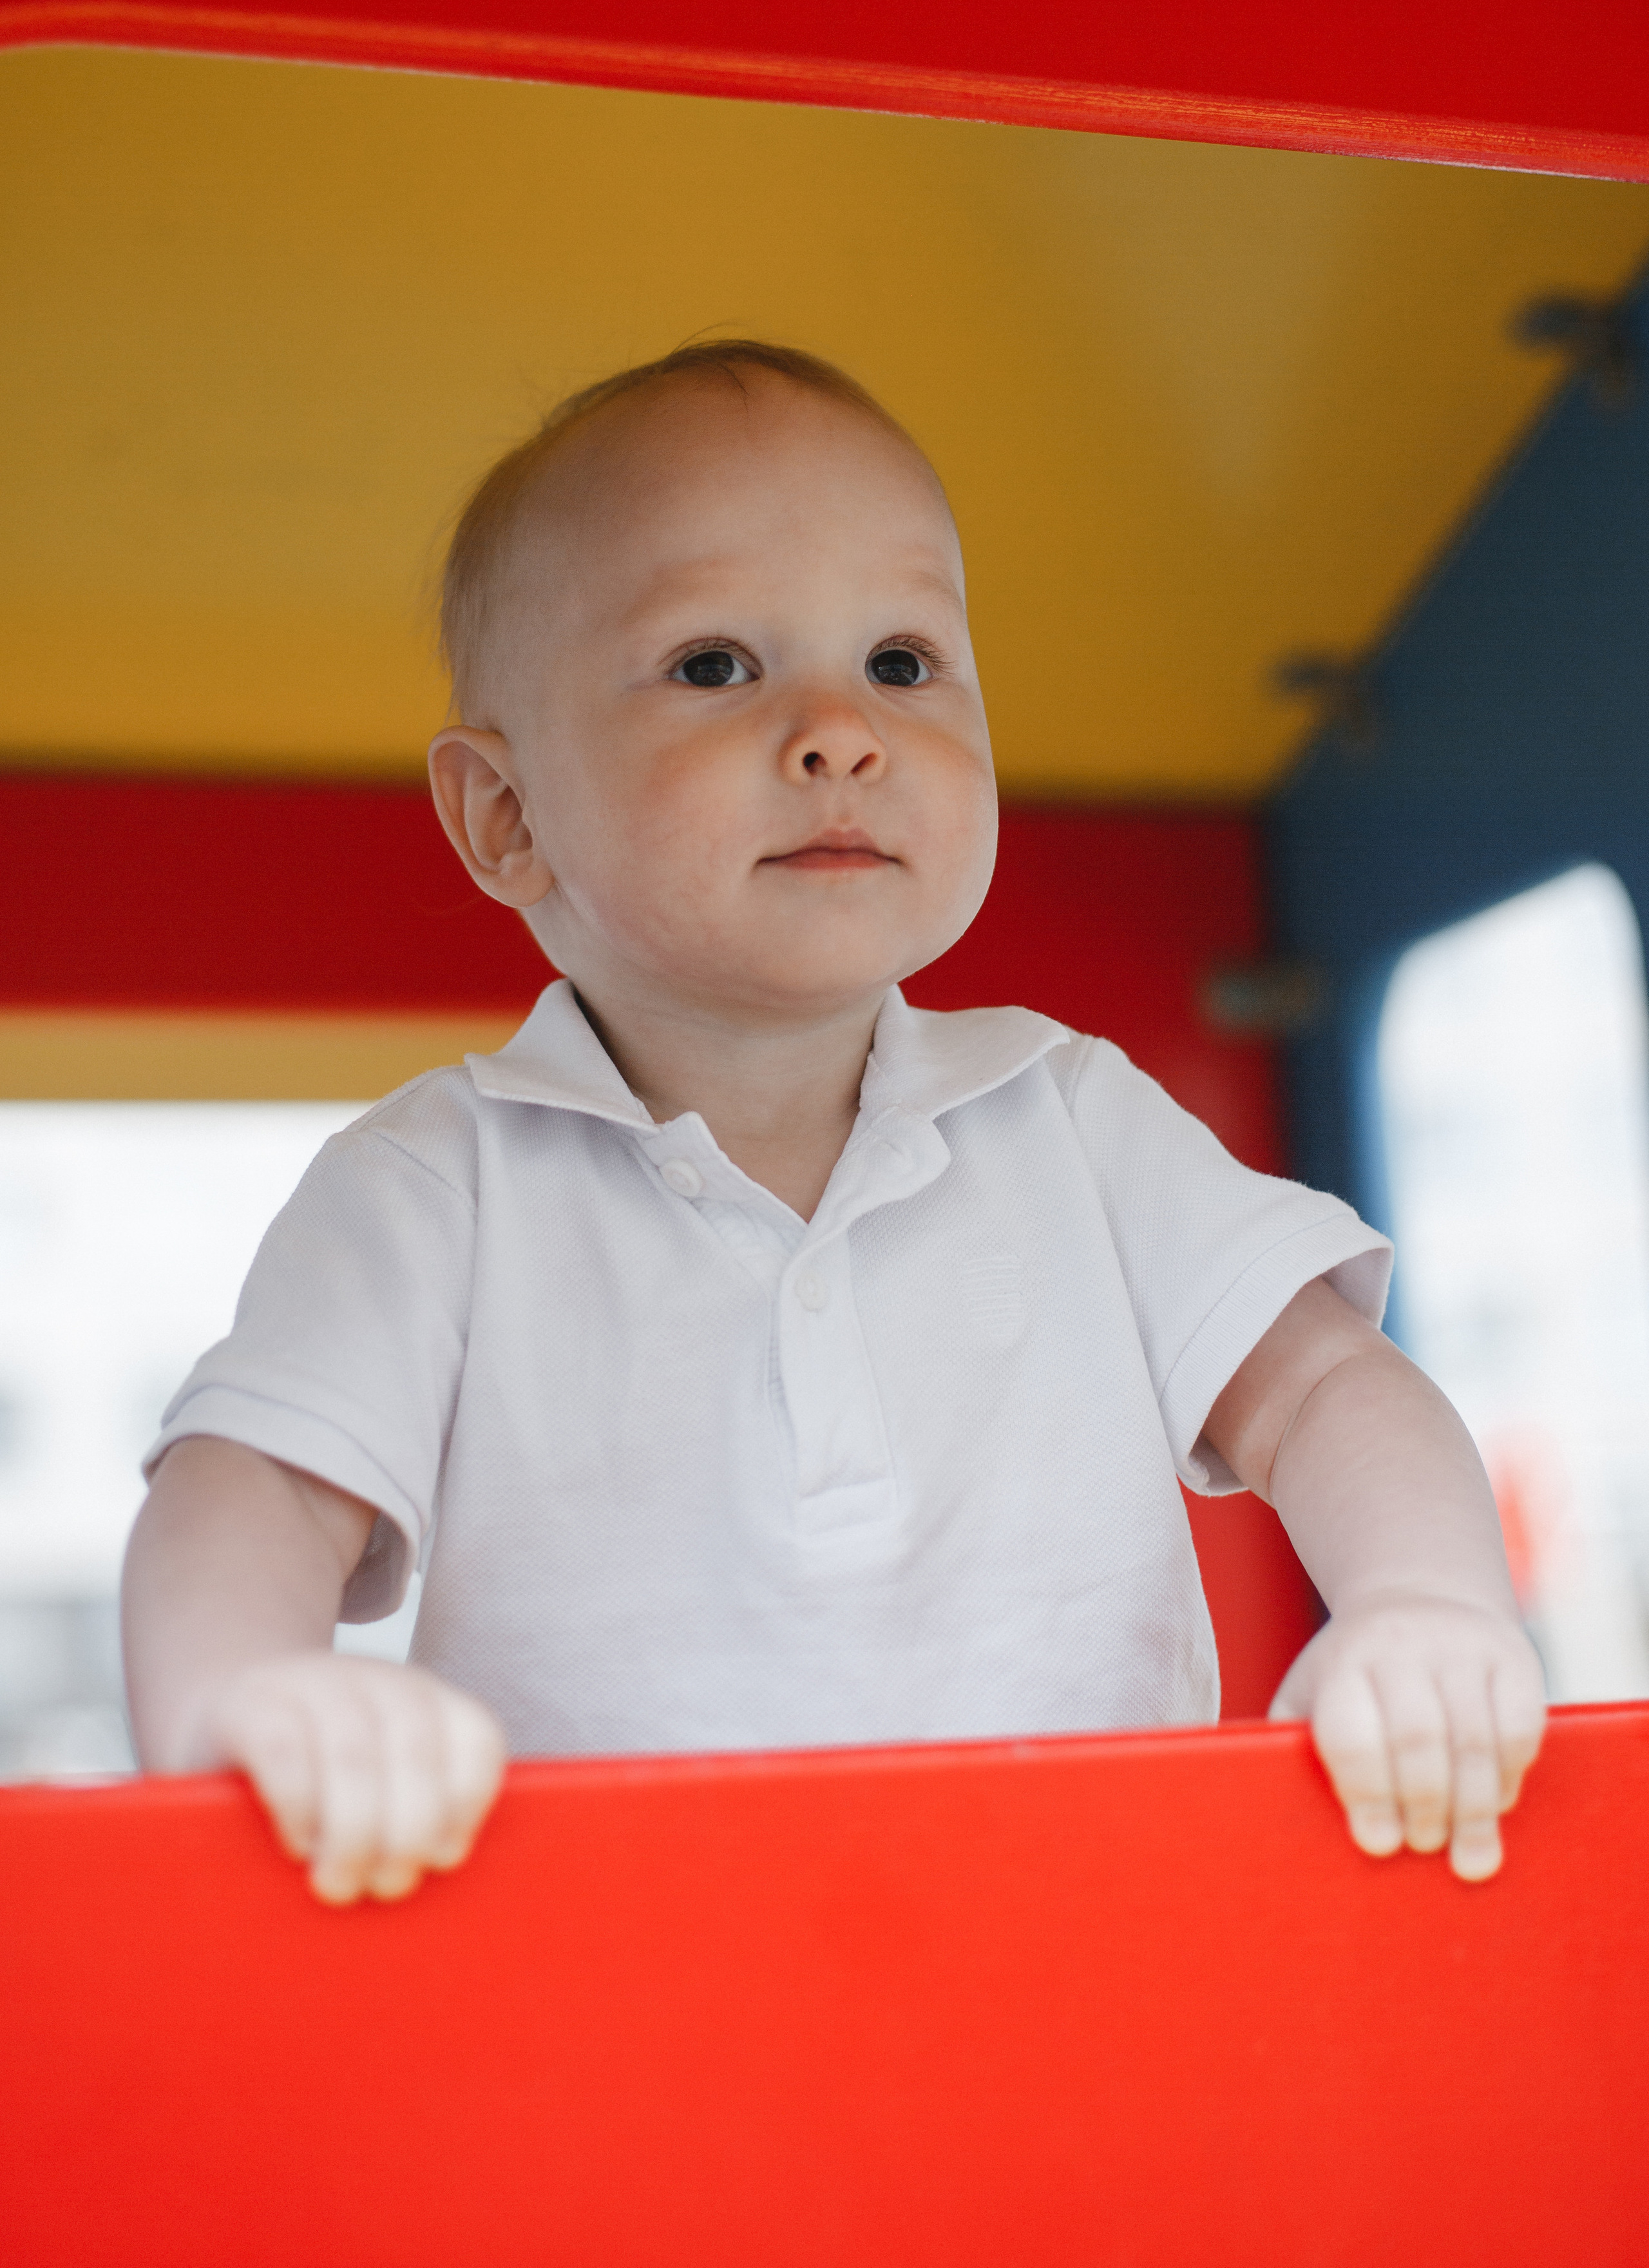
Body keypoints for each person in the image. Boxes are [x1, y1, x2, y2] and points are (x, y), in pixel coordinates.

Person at [121, 341, 1544, 1905]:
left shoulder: (1066, 1119)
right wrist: (242, 1695)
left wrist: (1419, 1606)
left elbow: (1328, 1386)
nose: (839, 732)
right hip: (618, 1996)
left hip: (1095, 1945)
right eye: (717, 665)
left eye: (901, 662)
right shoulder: (439, 1186)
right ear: (506, 817)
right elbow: (251, 1483)